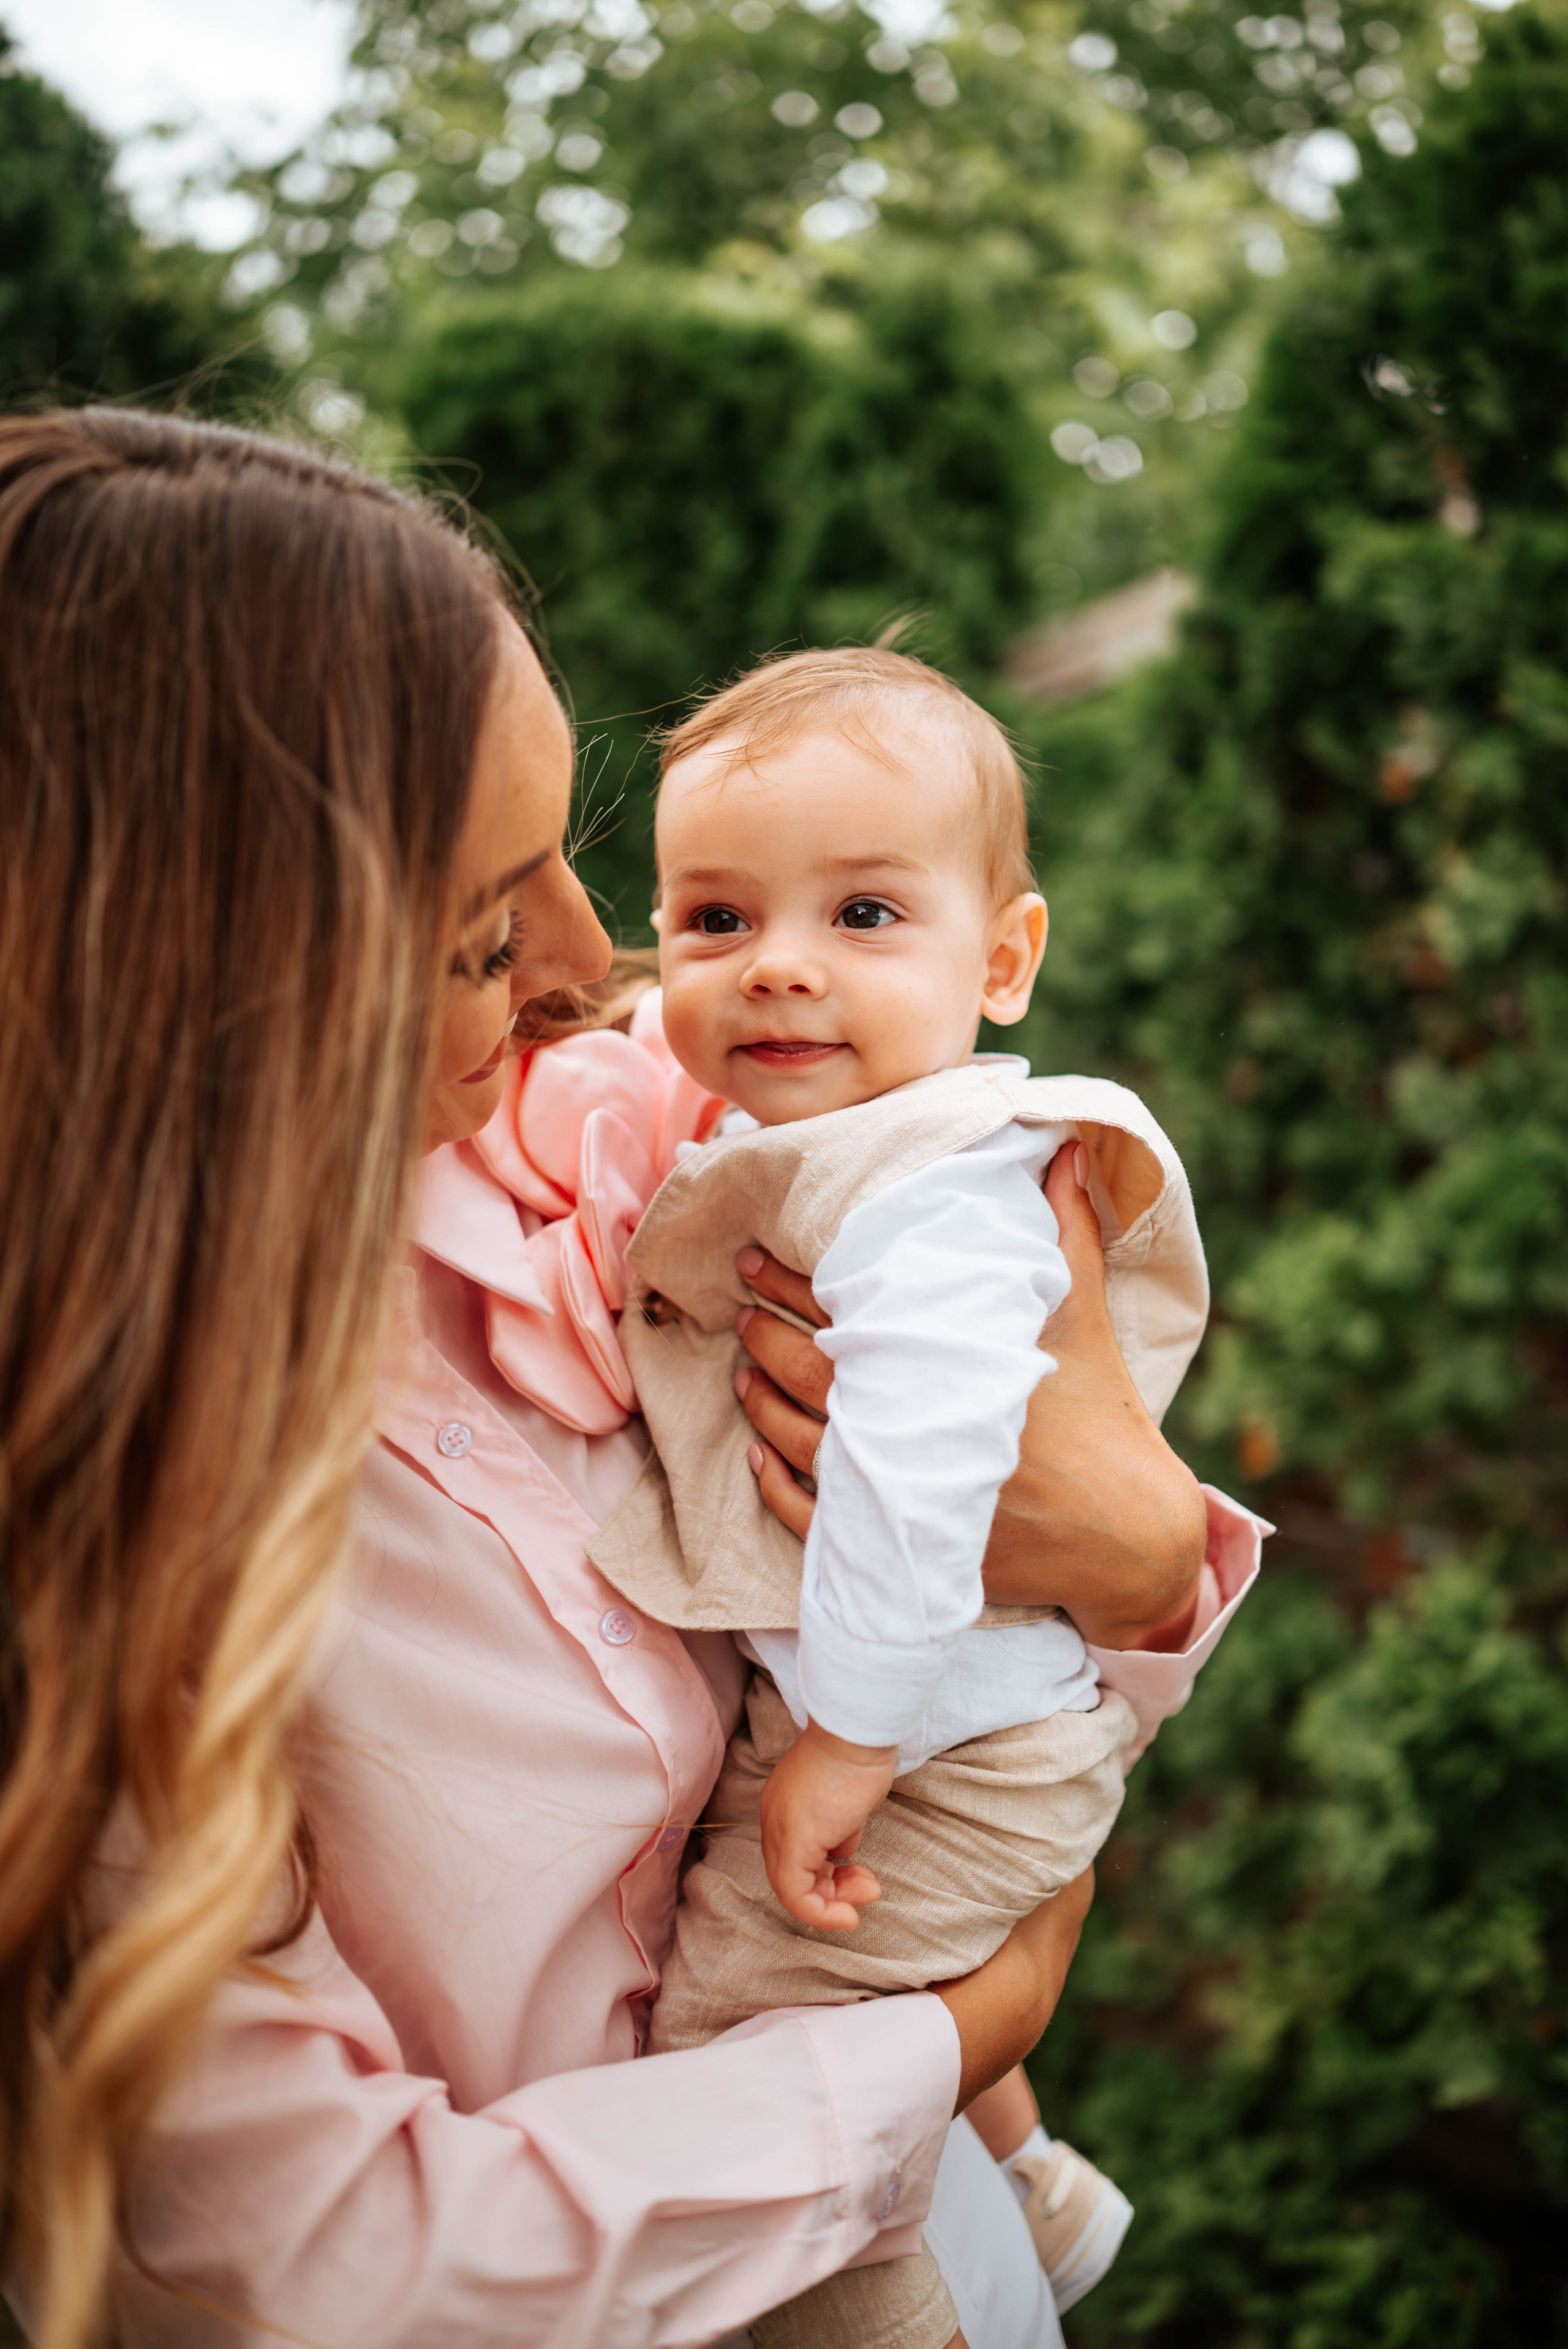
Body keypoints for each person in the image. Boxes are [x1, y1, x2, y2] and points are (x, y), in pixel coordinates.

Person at [0, 409, 1203, 2349]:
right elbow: (343, 2256)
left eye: (579, 862)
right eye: (486, 923)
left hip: (942, 2231)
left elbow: (1072, 1468)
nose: (597, 960)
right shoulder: (83, 1552)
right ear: (210, 1004)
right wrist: (954, 2036)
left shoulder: (630, 1135)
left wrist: (1146, 1564)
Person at [556, 646, 1265, 2349]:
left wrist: (854, 1735)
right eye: (718, 920)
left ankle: (891, 2320)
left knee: (750, 2047)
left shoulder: (933, 1200)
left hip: (937, 1742)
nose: (780, 972)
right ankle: (1028, 2181)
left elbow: (927, 1481)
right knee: (871, 1987)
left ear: (1004, 959)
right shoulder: (850, 1112)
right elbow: (667, 1012)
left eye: (865, 917)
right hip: (953, 1720)